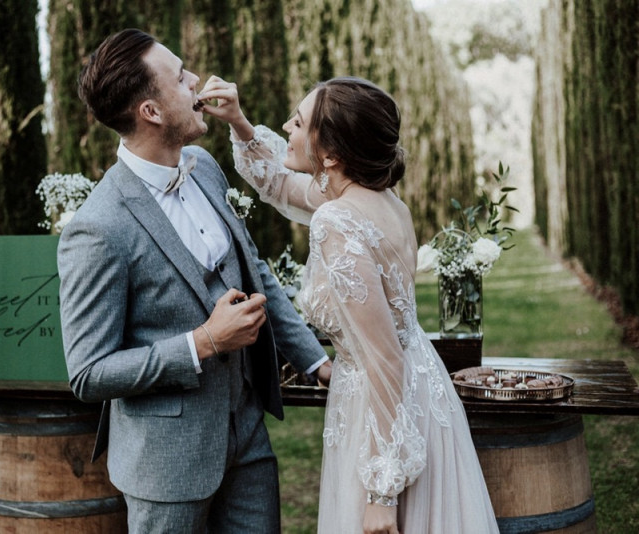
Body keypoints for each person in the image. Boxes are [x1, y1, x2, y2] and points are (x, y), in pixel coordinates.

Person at [57, 29, 332, 533]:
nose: (198, 83)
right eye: (182, 78)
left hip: (248, 440)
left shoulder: (204, 166)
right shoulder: (98, 228)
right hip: (167, 469)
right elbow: (89, 373)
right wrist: (204, 342)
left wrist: (316, 361)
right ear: (152, 112)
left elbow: (255, 273)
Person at [201, 75, 499, 533]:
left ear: (332, 154)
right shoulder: (379, 199)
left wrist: (383, 489)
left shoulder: (337, 220)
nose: (285, 127)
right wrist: (239, 121)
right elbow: (280, 186)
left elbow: (383, 360)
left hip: (382, 405)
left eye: (297, 123)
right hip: (417, 387)